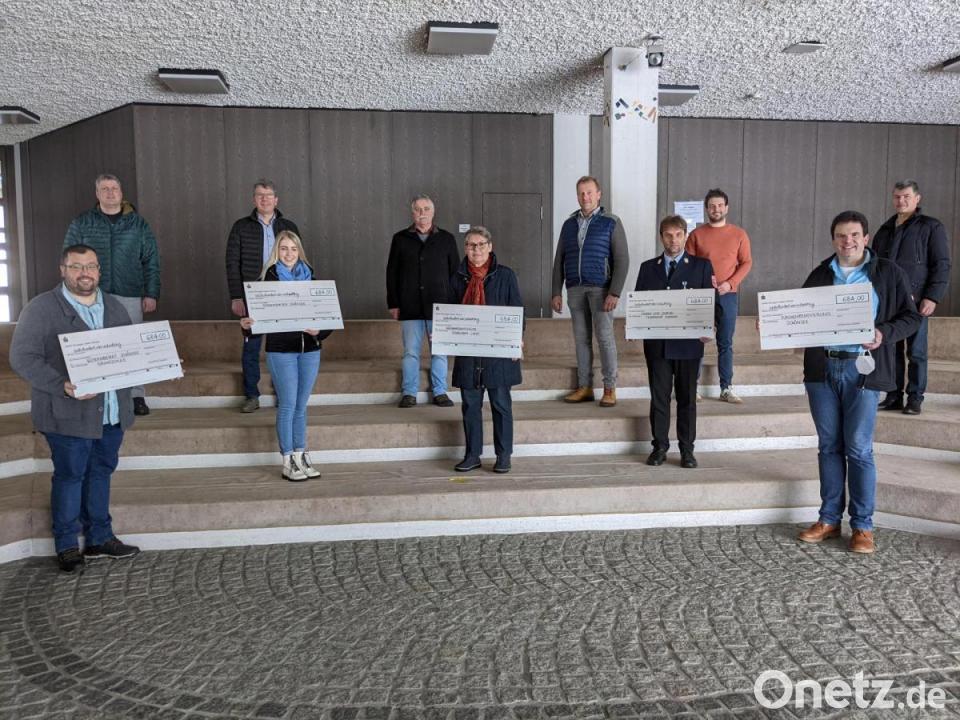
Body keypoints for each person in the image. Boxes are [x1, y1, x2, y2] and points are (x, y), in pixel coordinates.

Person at [10, 244, 141, 572]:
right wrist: (62, 384)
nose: (85, 273)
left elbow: (131, 352)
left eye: (91, 266)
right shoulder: (41, 308)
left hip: (111, 411)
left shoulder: (114, 306)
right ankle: (67, 544)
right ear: (63, 270)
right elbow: (22, 357)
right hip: (66, 413)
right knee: (70, 476)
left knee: (101, 472)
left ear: (99, 270)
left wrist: (161, 363)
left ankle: (100, 537)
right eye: (76, 266)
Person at [796, 211, 920, 554]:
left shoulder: (888, 273)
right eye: (841, 235)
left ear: (866, 238)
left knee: (859, 448)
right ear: (833, 239)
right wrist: (776, 325)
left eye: (854, 235)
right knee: (828, 446)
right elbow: (798, 314)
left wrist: (884, 333)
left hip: (863, 370)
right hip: (822, 370)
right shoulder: (820, 274)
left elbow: (911, 318)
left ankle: (863, 526)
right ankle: (829, 520)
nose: (847, 241)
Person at [64, 174, 160, 416]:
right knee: (93, 346)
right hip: (90, 295)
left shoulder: (138, 224)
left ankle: (136, 396)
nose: (110, 192)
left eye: (114, 188)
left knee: (132, 347)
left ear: (121, 192)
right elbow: (69, 259)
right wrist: (71, 293)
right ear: (97, 194)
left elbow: (151, 260)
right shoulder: (82, 223)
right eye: (104, 189)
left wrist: (151, 293)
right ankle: (94, 395)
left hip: (130, 292)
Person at [240, 231, 331, 481]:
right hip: (281, 351)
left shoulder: (312, 279)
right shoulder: (265, 282)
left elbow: (329, 318)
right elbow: (254, 323)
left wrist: (320, 331)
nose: (289, 253)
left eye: (293, 248)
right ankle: (287, 459)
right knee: (288, 404)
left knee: (301, 405)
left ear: (299, 251)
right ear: (276, 252)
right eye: (283, 248)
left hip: (310, 350)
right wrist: (246, 326)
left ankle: (301, 454)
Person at [635, 216, 715, 469]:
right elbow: (640, 304)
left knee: (687, 400)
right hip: (657, 346)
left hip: (689, 346)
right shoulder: (648, 268)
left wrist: (711, 326)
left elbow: (714, 304)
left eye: (678, 235)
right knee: (659, 399)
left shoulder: (702, 267)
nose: (674, 240)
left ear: (686, 236)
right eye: (668, 235)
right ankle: (659, 447)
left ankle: (687, 450)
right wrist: (635, 325)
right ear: (661, 237)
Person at [871, 180, 952, 415]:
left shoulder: (931, 227)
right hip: (888, 301)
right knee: (891, 350)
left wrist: (932, 297)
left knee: (916, 352)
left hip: (917, 301)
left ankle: (915, 398)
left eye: (906, 196)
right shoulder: (885, 230)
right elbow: (875, 266)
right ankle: (894, 396)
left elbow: (942, 264)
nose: (901, 201)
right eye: (897, 196)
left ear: (917, 199)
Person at [449, 227, 523, 474]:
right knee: (470, 405)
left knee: (501, 405)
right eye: (471, 245)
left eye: (481, 244)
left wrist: (517, 339)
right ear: (465, 249)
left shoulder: (506, 275)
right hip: (469, 353)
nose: (476, 250)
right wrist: (443, 333)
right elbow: (449, 313)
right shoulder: (456, 277)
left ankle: (503, 455)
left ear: (490, 247)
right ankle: (472, 455)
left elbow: (517, 311)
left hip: (498, 353)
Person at [551, 176, 628, 407]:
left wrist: (614, 292)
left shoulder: (611, 222)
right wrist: (556, 291)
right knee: (581, 340)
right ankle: (584, 387)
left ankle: (609, 388)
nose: (585, 197)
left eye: (589, 192)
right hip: (575, 289)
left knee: (605, 339)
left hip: (601, 290)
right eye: (581, 193)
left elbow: (622, 259)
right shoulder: (568, 224)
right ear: (577, 196)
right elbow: (559, 260)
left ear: (598, 194)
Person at [226, 179, 300, 413]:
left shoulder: (288, 226)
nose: (264, 199)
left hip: (283, 293)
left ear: (276, 200)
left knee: (284, 346)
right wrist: (236, 296)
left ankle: (284, 393)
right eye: (260, 195)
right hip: (253, 294)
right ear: (254, 199)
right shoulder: (241, 227)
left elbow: (297, 259)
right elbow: (232, 263)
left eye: (268, 195)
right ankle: (251, 395)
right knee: (251, 347)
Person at [386, 195, 460, 408]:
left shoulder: (447, 239)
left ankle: (440, 392)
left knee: (440, 352)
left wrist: (454, 306)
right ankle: (409, 393)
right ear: (412, 213)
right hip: (409, 305)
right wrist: (393, 303)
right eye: (418, 209)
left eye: (426, 209)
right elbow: (392, 273)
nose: (422, 213)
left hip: (441, 307)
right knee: (410, 352)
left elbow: (455, 274)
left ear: (433, 212)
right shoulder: (400, 238)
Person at [685, 188, 752, 404]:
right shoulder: (696, 235)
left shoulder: (739, 234)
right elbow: (688, 265)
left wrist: (730, 283)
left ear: (726, 208)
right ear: (706, 209)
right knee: (696, 341)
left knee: (725, 342)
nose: (716, 209)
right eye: (712, 206)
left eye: (720, 205)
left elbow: (746, 263)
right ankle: (691, 387)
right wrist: (701, 283)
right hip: (701, 296)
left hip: (727, 295)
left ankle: (726, 388)